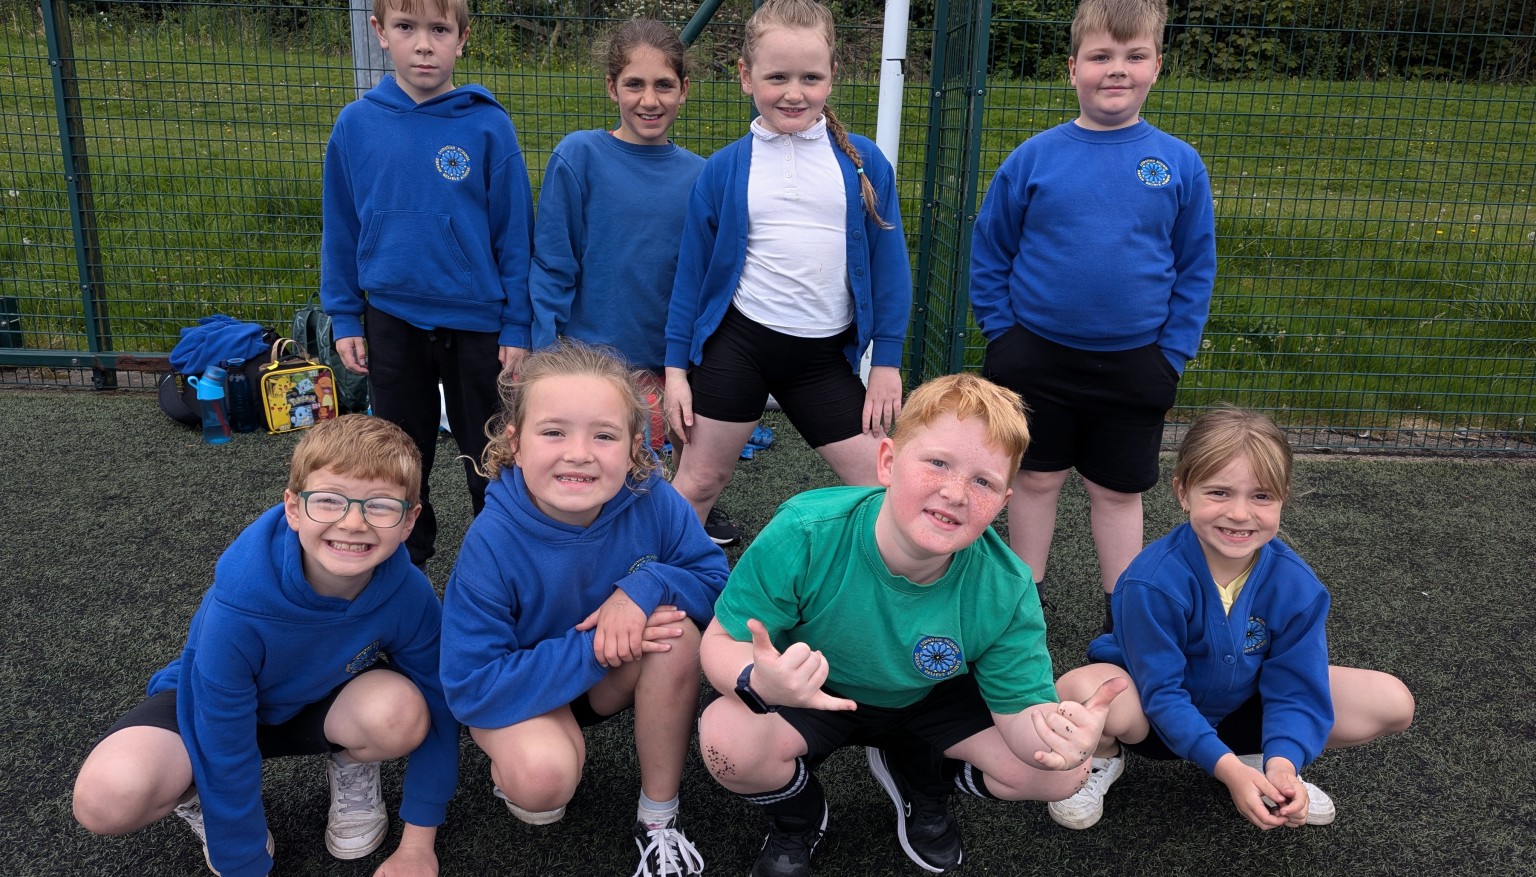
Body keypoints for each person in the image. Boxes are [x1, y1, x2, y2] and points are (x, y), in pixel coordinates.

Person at [695, 373, 1127, 877]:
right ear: (887, 463)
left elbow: (1022, 711)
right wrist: (756, 679)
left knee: (1063, 775)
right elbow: (722, 640)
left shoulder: (1007, 585)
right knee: (727, 741)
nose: (955, 491)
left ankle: (925, 779)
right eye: (938, 462)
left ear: (1002, 504)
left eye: (983, 481)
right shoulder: (806, 532)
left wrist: (1062, 738)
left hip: (932, 700)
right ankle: (799, 819)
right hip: (815, 690)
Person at [72, 416, 459, 877]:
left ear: (410, 520)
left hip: (318, 702)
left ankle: (352, 763)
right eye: (330, 500)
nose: (353, 523)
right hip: (210, 708)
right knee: (106, 798)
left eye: (379, 506)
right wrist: (245, 863)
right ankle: (198, 796)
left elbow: (441, 702)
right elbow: (222, 734)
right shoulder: (239, 602)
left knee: (401, 711)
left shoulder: (408, 593)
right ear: (293, 508)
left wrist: (417, 845)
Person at [969, 0, 1217, 630]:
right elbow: (991, 248)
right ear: (1072, 65)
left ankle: (1124, 608)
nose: (1118, 70)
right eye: (1102, 56)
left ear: (1157, 66)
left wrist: (1172, 354)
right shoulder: (1034, 158)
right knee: (1035, 481)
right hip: (1037, 358)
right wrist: (1004, 338)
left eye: (1134, 57)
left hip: (1137, 365)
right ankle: (1021, 601)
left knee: (1117, 492)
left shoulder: (1178, 163)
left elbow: (1194, 267)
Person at [439, 340, 730, 877]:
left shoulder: (655, 500)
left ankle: (658, 818)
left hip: (607, 680)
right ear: (516, 444)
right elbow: (469, 685)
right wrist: (598, 646)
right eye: (553, 432)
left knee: (676, 632)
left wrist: (644, 586)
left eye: (604, 434)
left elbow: (716, 584)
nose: (579, 452)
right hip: (522, 691)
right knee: (542, 787)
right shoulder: (491, 539)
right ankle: (520, 760)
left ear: (634, 447)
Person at [1050, 406, 1416, 831]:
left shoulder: (1297, 585)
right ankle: (1100, 760)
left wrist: (1284, 763)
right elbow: (1162, 693)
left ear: (1282, 497)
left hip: (1242, 707)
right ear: (1183, 492)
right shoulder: (1150, 582)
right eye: (1219, 492)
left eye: (1261, 495)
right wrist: (1224, 769)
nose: (1240, 514)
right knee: (1079, 691)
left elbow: (1296, 686)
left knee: (1392, 701)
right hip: (1151, 718)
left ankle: (1262, 760)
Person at [663, 0, 912, 547]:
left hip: (820, 361)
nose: (793, 92)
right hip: (739, 347)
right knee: (700, 479)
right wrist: (676, 371)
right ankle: (652, 585)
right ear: (746, 77)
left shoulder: (863, 164)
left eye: (810, 77)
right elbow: (692, 277)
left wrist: (887, 362)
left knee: (883, 485)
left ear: (832, 78)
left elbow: (890, 266)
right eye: (777, 77)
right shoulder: (726, 168)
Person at [320, 0, 534, 571]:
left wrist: (517, 323)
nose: (423, 44)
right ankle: (404, 564)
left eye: (439, 29)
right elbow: (340, 227)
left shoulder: (488, 124)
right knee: (398, 453)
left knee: (490, 453)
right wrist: (344, 315)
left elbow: (515, 234)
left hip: (478, 325)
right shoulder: (356, 124)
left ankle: (501, 565)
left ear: (462, 38)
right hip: (391, 318)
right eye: (406, 27)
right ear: (380, 34)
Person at [528, 18, 704, 457]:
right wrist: (544, 357)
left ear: (683, 89)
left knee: (677, 477)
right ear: (612, 88)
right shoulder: (578, 156)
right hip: (591, 364)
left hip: (672, 363)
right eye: (634, 84)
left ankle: (680, 515)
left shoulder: (702, 176)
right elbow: (553, 263)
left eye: (664, 85)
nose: (649, 100)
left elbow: (703, 280)